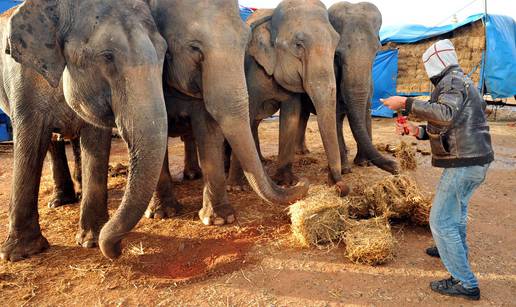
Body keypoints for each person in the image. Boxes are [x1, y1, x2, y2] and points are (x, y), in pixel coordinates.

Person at [381, 39, 494, 301]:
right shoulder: (460, 80)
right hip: (473, 158)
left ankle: (465, 283)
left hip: (465, 162)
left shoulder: (452, 82)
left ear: (435, 62)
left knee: (441, 221)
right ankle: (451, 250)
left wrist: (406, 104)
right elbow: (452, 124)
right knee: (456, 213)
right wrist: (417, 132)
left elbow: (444, 114)